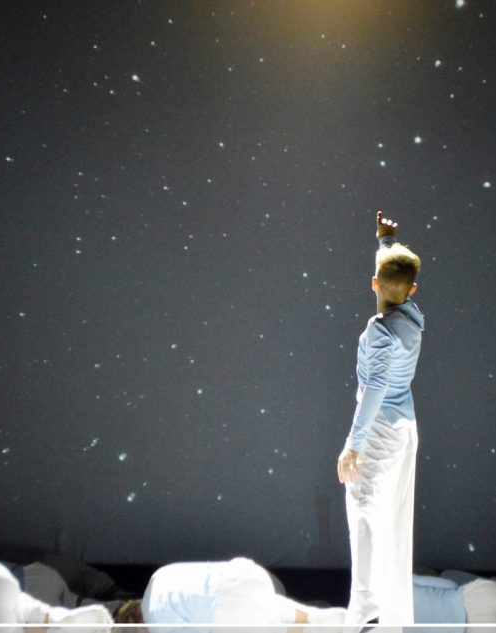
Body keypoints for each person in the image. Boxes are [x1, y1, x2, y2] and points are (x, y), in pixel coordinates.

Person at [337, 209, 424, 626]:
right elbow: (394, 278)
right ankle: (384, 615)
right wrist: (385, 243)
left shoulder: (381, 330)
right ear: (412, 290)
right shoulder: (412, 318)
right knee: (390, 518)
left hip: (381, 428)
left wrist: (353, 444)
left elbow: (374, 387)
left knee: (364, 511)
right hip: (404, 428)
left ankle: (367, 611)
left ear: (373, 284)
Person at [112, 557, 346, 627]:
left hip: (230, 613)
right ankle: (338, 619)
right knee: (302, 616)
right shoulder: (158, 576)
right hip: (247, 576)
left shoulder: (156, 625)